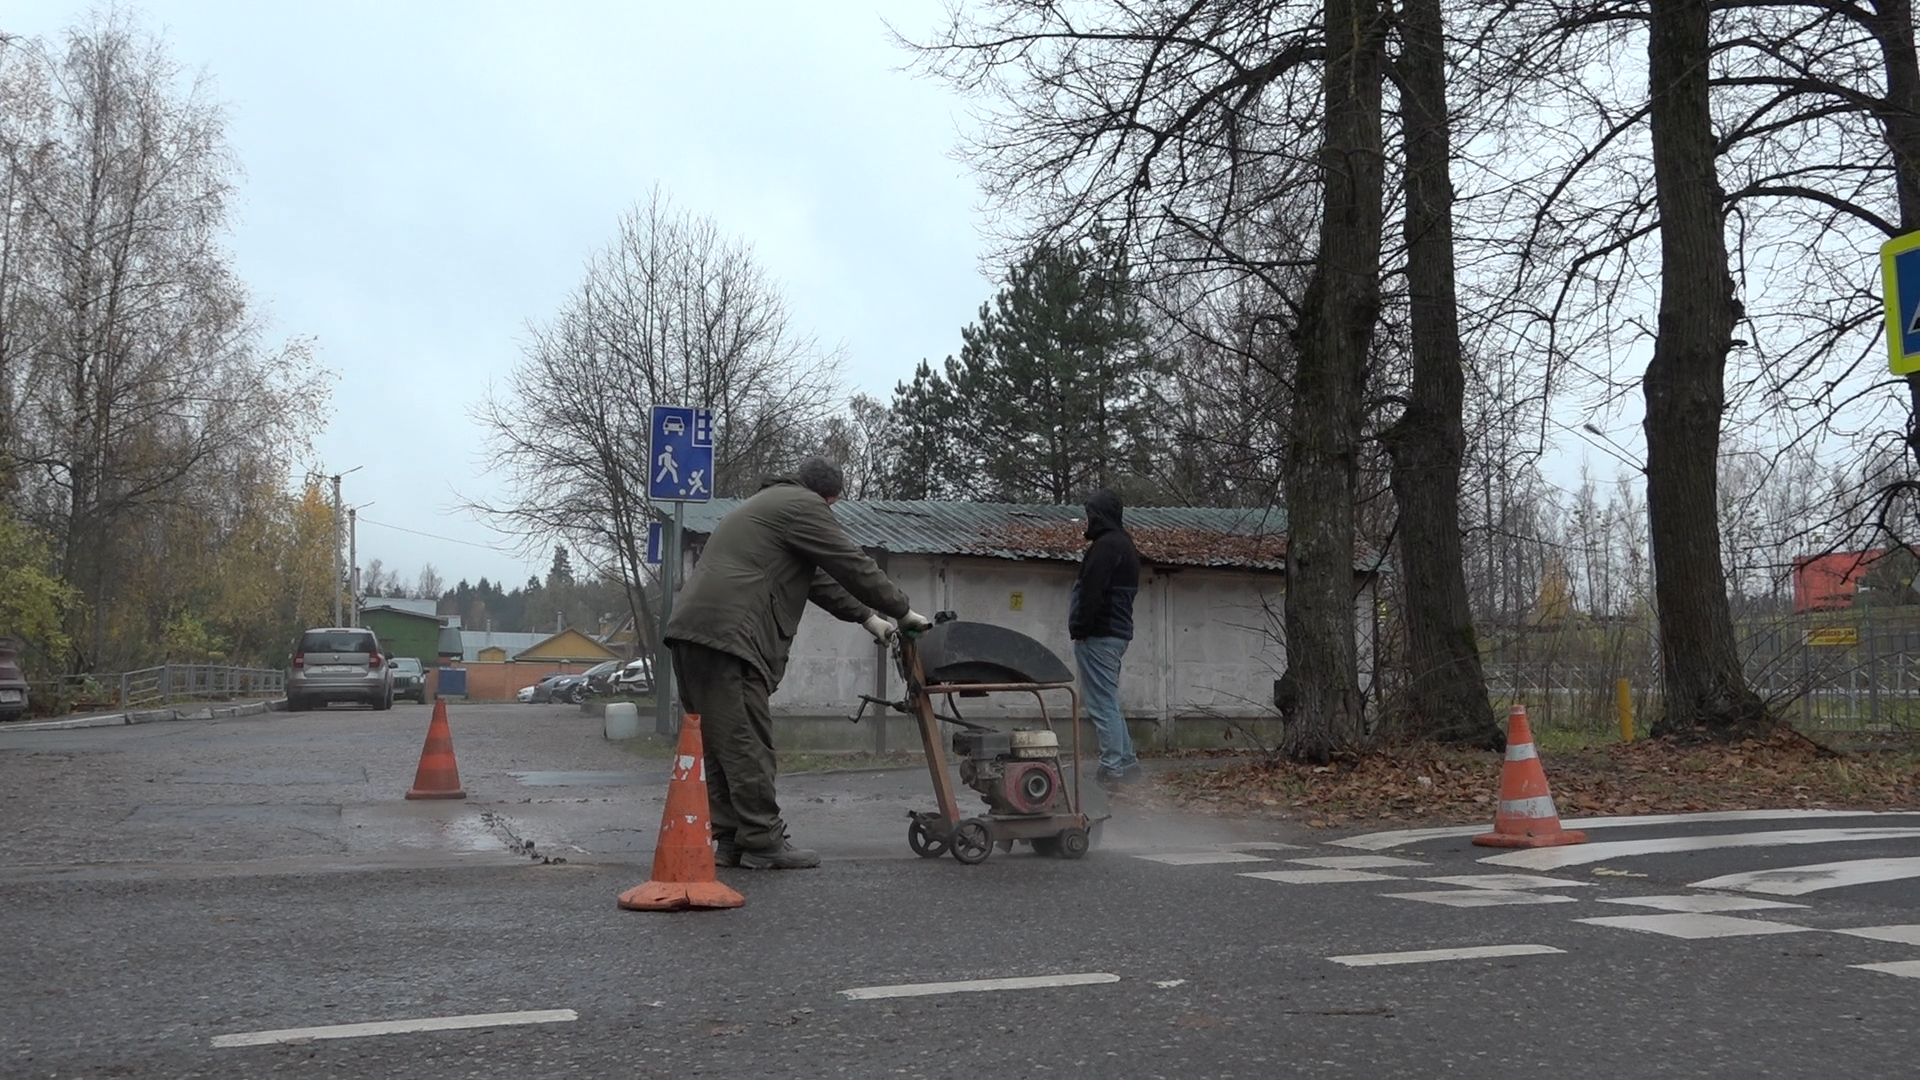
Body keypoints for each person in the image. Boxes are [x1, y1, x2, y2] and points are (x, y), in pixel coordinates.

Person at [665, 456, 931, 869]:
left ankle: (734, 838)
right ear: (829, 498)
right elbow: (850, 562)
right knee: (746, 744)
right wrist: (903, 610)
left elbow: (818, 580)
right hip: (729, 637)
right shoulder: (803, 507)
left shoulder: (766, 507)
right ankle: (763, 841)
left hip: (691, 632)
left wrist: (869, 618)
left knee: (720, 745)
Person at [1069, 488, 1143, 784]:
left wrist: (1081, 629)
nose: (1086, 520)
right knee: (1109, 700)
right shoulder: (1124, 545)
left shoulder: (1106, 546)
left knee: (1101, 704)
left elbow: (1091, 591)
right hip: (1115, 634)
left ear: (1098, 516)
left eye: (1089, 514)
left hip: (1099, 635)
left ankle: (1112, 769)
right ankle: (1127, 763)